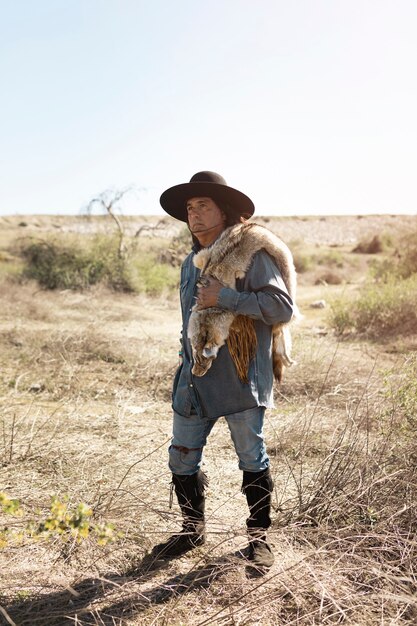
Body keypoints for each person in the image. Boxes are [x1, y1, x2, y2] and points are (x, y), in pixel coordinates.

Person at [155, 171, 296, 569]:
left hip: (239, 375)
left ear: (224, 211)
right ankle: (191, 529)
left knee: (251, 456)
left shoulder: (252, 253)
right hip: (195, 378)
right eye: (189, 207)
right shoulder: (190, 263)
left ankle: (259, 538)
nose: (194, 214)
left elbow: (281, 308)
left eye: (203, 206)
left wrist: (227, 297)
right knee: (181, 458)